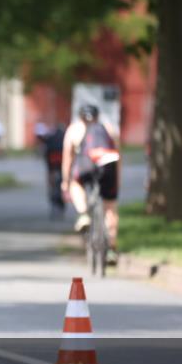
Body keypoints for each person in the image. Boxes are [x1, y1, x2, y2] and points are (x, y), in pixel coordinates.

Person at [61, 104, 121, 264]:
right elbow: (118, 156)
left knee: (76, 184)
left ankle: (83, 214)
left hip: (85, 166)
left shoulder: (74, 130)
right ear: (97, 116)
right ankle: (112, 250)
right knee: (110, 208)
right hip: (108, 165)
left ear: (80, 116)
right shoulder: (109, 129)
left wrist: (66, 182)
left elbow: (67, 158)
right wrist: (117, 180)